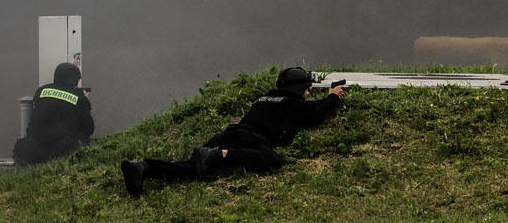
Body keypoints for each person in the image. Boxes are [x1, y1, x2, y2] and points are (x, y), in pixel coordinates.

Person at [121, 67, 345, 197]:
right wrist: (334, 97)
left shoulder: (267, 98)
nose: (308, 93)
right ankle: (219, 154)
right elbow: (314, 115)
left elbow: (306, 107)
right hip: (251, 139)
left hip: (231, 133)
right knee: (272, 159)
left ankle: (143, 167)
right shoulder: (293, 104)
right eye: (307, 89)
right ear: (299, 89)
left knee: (192, 169)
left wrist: (326, 96)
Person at [12, 62, 95, 166]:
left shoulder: (41, 91)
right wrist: (85, 101)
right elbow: (89, 129)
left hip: (32, 151)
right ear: (74, 79)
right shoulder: (80, 99)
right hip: (60, 152)